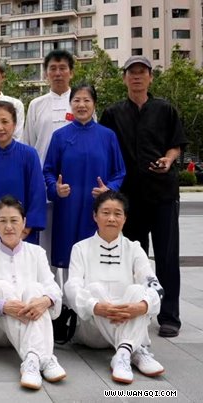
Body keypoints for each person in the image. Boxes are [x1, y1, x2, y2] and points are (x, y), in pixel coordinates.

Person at [100, 55, 188, 338]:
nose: (137, 76)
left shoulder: (165, 109)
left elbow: (176, 144)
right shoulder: (112, 113)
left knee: (166, 256)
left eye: (142, 72)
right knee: (132, 257)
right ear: (124, 78)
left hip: (162, 194)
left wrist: (168, 159)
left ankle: (169, 316)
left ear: (150, 77)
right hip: (128, 198)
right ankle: (135, 309)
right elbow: (105, 150)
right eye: (132, 72)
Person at [65, 191, 165, 384]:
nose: (111, 218)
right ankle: (135, 348)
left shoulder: (134, 248)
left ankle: (123, 353)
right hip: (94, 330)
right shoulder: (80, 248)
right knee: (94, 289)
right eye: (106, 213)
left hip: (128, 319)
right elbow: (72, 287)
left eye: (117, 214)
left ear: (125, 219)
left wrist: (142, 306)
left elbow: (154, 285)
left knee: (138, 292)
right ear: (95, 216)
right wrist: (95, 306)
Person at [0, 195, 65, 390]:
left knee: (36, 289)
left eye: (14, 220)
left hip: (29, 322)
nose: (9, 227)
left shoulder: (37, 253)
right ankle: (46, 357)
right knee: (2, 288)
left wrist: (46, 300)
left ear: (24, 222)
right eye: (2, 221)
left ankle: (32, 360)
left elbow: (52, 287)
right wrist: (3, 306)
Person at [43, 83, 126, 269]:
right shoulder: (59, 136)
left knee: (97, 260)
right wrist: (56, 189)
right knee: (68, 259)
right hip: (68, 208)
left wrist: (109, 190)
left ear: (94, 104)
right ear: (70, 104)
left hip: (97, 208)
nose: (81, 105)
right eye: (77, 100)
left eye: (86, 100)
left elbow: (119, 172)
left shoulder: (108, 136)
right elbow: (48, 170)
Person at [22, 50, 75, 262]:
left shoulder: (80, 101)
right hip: (43, 182)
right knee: (45, 241)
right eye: (53, 68)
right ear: (46, 74)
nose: (58, 73)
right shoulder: (36, 105)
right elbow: (28, 143)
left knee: (72, 241)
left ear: (71, 72)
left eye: (63, 68)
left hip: (74, 183)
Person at [0, 101, 46, 247]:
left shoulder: (29, 155)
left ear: (14, 124)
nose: (0, 127)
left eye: (5, 122)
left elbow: (37, 193)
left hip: (24, 233)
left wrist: (26, 228)